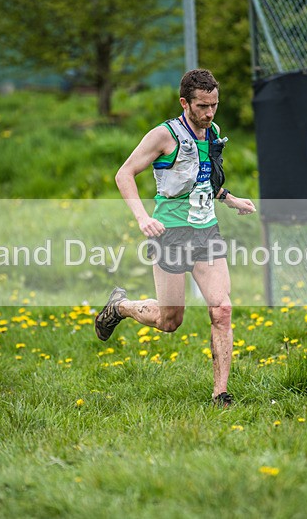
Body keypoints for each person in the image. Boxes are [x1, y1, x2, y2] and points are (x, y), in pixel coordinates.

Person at [94, 69, 256, 407]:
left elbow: (203, 180)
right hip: (170, 233)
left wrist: (231, 199)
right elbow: (124, 174)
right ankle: (120, 306)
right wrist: (142, 218)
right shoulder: (163, 136)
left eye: (214, 105)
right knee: (170, 321)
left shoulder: (213, 132)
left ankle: (221, 394)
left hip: (206, 230)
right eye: (202, 106)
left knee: (222, 309)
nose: (209, 113)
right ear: (185, 103)